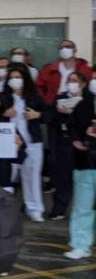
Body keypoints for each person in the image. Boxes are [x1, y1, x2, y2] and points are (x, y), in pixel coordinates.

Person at [7, 65, 50, 222]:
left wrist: (37, 114)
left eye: (18, 77)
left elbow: (49, 115)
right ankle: (4, 209)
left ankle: (35, 209)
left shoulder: (34, 97)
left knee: (32, 176)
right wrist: (3, 112)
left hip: (32, 143)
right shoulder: (4, 97)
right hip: (9, 143)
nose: (15, 80)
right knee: (7, 176)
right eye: (12, 77)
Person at [49, 72, 87, 219]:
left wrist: (72, 113)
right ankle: (59, 208)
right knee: (62, 177)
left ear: (83, 84)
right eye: (69, 80)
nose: (71, 83)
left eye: (75, 81)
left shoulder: (88, 100)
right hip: (64, 141)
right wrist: (63, 114)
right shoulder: (61, 98)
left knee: (84, 180)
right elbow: (53, 117)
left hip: (85, 143)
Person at [66, 77, 96, 259]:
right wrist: (77, 140)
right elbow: (72, 128)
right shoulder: (83, 105)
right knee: (82, 205)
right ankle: (80, 243)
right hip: (85, 161)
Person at [36, 39, 93, 104]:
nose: (64, 49)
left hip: (78, 104)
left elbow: (90, 88)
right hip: (54, 104)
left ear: (74, 50)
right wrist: (46, 100)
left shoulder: (85, 69)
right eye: (61, 47)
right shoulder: (49, 69)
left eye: (68, 47)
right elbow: (39, 86)